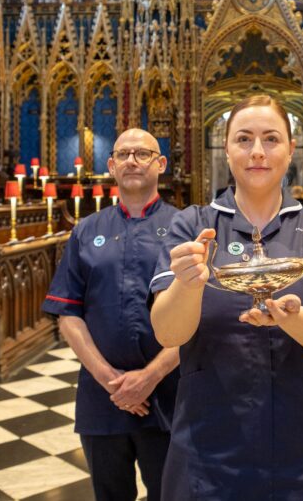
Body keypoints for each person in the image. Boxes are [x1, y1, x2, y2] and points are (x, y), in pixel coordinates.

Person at [149, 95, 303, 500]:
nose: (258, 152)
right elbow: (167, 333)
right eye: (244, 139)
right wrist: (188, 282)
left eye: (271, 139)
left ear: (291, 149)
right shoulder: (192, 225)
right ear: (227, 149)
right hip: (209, 448)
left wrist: (289, 317)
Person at [42, 129, 180, 501]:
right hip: (102, 398)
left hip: (170, 394)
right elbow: (68, 313)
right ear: (111, 165)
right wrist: (113, 383)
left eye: (142, 153)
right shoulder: (87, 230)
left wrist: (150, 376)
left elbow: (200, 317)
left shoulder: (187, 227)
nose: (132, 160)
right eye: (123, 154)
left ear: (160, 164)